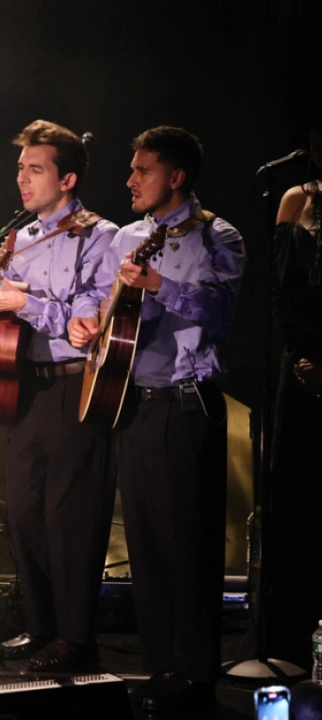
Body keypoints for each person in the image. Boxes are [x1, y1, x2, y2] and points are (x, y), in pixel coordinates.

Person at [68, 126, 245, 711]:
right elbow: (100, 301)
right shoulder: (127, 236)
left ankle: (194, 676)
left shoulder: (219, 235)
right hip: (134, 404)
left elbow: (219, 309)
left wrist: (160, 284)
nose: (130, 180)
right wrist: (87, 321)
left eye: (142, 170)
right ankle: (160, 669)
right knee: (145, 546)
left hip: (187, 405)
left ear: (176, 176)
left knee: (188, 545)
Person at [0, 120, 118, 672]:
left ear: (67, 178)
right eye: (20, 168)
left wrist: (25, 305)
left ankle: (76, 639)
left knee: (70, 518)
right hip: (25, 387)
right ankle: (41, 626)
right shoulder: (18, 238)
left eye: (35, 169)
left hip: (76, 386)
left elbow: (88, 320)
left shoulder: (102, 236)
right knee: (25, 515)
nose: (22, 179)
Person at [258, 126, 322, 670]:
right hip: (302, 366)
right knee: (295, 495)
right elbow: (283, 288)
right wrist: (304, 357)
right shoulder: (297, 198)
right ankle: (288, 642)